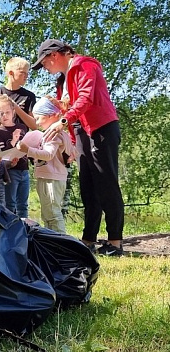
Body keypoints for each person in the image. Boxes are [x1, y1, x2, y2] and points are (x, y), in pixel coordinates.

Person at [31, 39, 124, 256]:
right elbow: (71, 108)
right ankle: (89, 239)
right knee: (88, 185)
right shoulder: (62, 80)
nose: (45, 68)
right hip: (82, 130)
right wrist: (71, 139)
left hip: (102, 128)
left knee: (106, 183)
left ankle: (115, 242)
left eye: (44, 63)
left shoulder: (85, 66)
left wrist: (63, 121)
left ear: (54, 55)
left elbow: (86, 99)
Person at [16, 96, 74, 234]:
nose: (36, 122)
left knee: (53, 214)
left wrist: (28, 150)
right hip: (48, 177)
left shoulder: (53, 134)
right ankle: (51, 241)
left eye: (38, 118)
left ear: (51, 116)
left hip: (52, 179)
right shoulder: (56, 133)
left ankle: (62, 245)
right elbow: (72, 153)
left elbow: (48, 154)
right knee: (48, 214)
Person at [0, 94, 29, 217]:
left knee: (23, 204)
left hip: (24, 169)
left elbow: (28, 146)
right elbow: (2, 154)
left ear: (14, 112)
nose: (4, 116)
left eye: (7, 112)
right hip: (10, 171)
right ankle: (11, 229)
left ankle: (26, 231)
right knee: (10, 203)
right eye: (1, 113)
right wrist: (13, 141)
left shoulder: (22, 127)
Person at [0, 57, 37, 130]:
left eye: (27, 73)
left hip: (21, 139)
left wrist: (14, 106)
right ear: (11, 73)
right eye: (23, 73)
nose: (26, 76)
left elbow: (34, 126)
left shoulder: (29, 96)